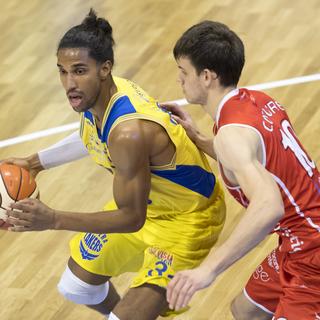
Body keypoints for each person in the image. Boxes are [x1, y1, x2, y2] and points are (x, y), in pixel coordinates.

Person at [4, 10, 226, 320]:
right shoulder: (103, 95)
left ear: (105, 68)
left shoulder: (129, 132)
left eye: (79, 71)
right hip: (149, 206)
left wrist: (53, 219)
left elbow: (130, 218)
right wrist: (34, 162)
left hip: (187, 220)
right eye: (63, 71)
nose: (69, 83)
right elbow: (93, 134)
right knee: (75, 287)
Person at [163, 21, 320, 320]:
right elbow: (261, 161)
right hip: (300, 238)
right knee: (245, 311)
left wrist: (207, 270)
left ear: (207, 76)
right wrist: (198, 140)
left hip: (313, 253)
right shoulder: (257, 101)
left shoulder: (231, 138)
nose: (179, 80)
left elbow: (269, 205)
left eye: (183, 71)